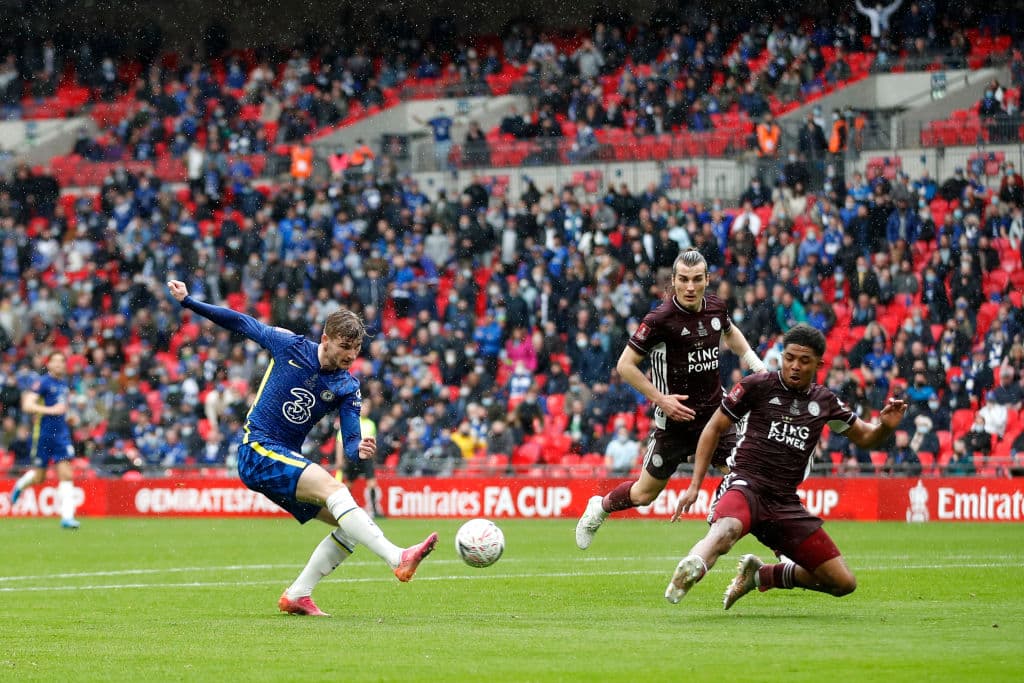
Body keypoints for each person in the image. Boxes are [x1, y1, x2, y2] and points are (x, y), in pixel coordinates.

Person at [166, 280, 437, 617]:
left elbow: (350, 441)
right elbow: (241, 322)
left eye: (356, 349)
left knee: (352, 527)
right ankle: (398, 557)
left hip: (280, 459)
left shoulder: (348, 387)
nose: (351, 355)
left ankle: (298, 594)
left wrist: (360, 450)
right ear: (325, 338)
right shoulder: (290, 346)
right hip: (258, 449)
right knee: (338, 492)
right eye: (344, 346)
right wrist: (189, 301)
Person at [664, 323, 907, 609]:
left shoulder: (825, 402)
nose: (795, 366)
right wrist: (694, 485)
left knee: (842, 583)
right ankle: (694, 564)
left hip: (784, 504)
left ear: (819, 363)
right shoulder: (758, 385)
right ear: (782, 356)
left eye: (804, 361)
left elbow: (866, 436)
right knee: (725, 532)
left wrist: (885, 428)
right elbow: (713, 428)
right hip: (746, 486)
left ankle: (763, 575)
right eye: (789, 358)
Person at [575, 249, 766, 550]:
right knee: (643, 495)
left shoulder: (716, 308)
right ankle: (599, 508)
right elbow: (625, 366)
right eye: (684, 280)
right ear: (674, 281)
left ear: (707, 280)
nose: (690, 287)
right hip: (674, 423)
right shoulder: (659, 319)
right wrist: (661, 399)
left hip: (717, 417)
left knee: (747, 477)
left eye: (697, 280)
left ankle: (776, 549)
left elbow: (731, 334)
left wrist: (757, 366)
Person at [10, 352, 80, 529]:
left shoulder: (64, 384)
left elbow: (61, 407)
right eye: (55, 361)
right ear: (48, 365)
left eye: (61, 361)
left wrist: (69, 416)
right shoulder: (42, 382)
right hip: (43, 435)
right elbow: (27, 405)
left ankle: (67, 517)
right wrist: (50, 410)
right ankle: (21, 484)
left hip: (61, 436)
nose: (58, 365)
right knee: (40, 477)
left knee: (67, 473)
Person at [336, 401, 384, 518]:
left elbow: (373, 442)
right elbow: (340, 441)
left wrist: (374, 456)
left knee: (372, 483)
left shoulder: (371, 424)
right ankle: (345, 509)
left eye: (367, 408)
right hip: (353, 457)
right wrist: (339, 459)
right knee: (348, 484)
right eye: (363, 407)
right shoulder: (349, 422)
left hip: (367, 458)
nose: (365, 410)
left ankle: (374, 510)